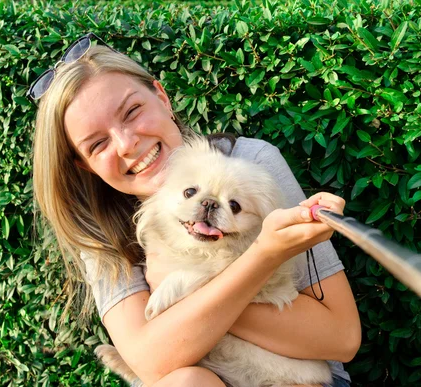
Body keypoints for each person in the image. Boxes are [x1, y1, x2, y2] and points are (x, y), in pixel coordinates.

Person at [31, 33, 361, 387]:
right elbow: (154, 363)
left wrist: (247, 263)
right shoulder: (98, 226)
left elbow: (342, 338)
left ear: (161, 97)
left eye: (132, 111)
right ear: (85, 166)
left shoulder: (252, 164)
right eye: (98, 144)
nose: (127, 144)